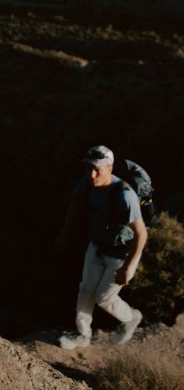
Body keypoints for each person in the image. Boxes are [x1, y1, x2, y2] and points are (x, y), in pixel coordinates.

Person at [56, 145, 147, 348]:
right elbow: (75, 205)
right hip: (97, 245)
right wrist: (64, 233)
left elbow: (141, 234)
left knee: (104, 298)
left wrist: (128, 267)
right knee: (86, 290)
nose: (92, 173)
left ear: (109, 169)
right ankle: (82, 334)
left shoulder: (125, 196)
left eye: (97, 169)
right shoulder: (87, 183)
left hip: (122, 253)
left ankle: (131, 317)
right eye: (89, 168)